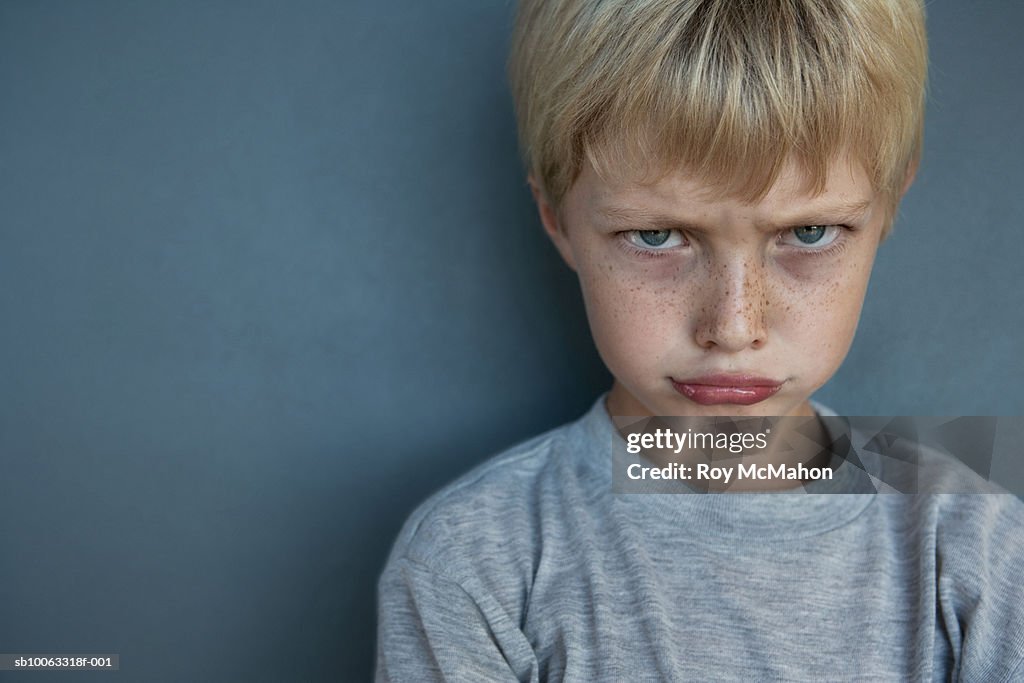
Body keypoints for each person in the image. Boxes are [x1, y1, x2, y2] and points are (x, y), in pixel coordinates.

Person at [376, 0, 1024, 680]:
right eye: (656, 236)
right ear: (557, 216)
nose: (735, 327)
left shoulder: (979, 551)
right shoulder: (475, 565)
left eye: (807, 233)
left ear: (889, 200)